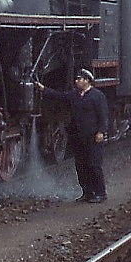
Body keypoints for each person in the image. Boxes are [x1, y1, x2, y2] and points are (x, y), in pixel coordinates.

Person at [36, 68, 109, 203]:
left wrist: (101, 132)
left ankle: (100, 193)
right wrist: (43, 89)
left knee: (94, 165)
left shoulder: (97, 96)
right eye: (76, 79)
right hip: (78, 137)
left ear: (87, 81)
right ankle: (87, 193)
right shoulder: (74, 95)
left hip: (93, 137)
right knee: (81, 166)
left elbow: (103, 116)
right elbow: (59, 96)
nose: (76, 81)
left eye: (79, 79)